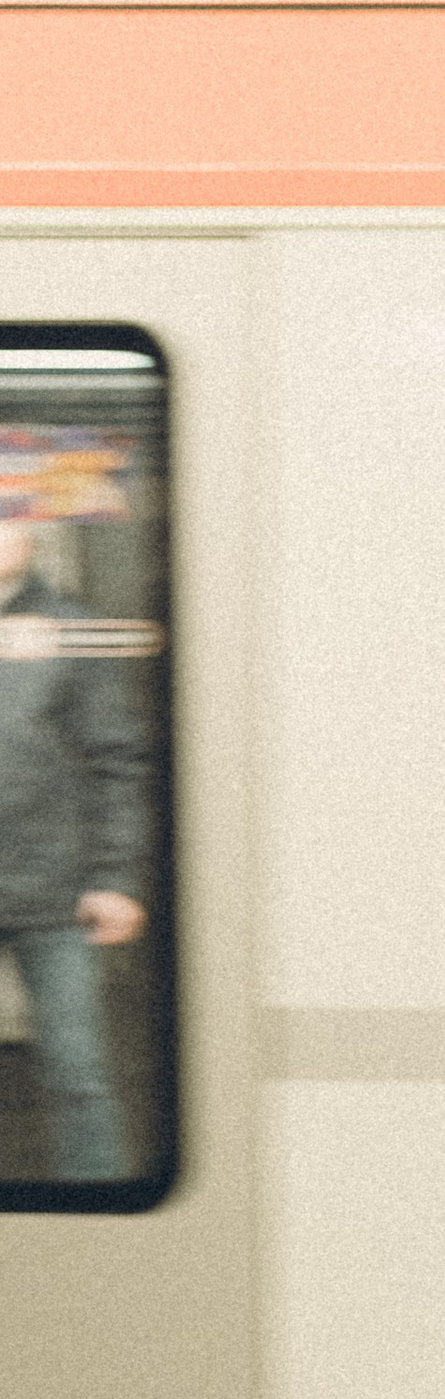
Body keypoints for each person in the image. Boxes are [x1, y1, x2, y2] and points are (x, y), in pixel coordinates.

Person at [0, 493, 151, 1184]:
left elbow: (116, 758)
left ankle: (101, 1232)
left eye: (9, 519)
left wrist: (118, 878)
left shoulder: (71, 629)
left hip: (54, 889)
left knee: (76, 1076)